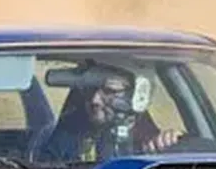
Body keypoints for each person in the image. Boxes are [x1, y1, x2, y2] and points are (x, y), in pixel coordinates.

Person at [39, 67, 184, 163]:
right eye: (90, 89)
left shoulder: (154, 143)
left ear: (139, 94)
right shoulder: (69, 135)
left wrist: (174, 143)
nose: (95, 100)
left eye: (110, 92)